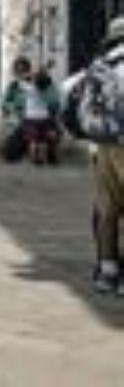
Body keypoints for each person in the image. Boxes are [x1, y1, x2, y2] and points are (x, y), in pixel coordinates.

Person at [63, 16, 124, 294]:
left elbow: (68, 94)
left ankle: (107, 271)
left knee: (107, 209)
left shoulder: (100, 65)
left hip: (101, 144)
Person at [2, 57, 62, 165]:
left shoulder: (44, 83)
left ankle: (49, 151)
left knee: (53, 134)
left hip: (45, 119)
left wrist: (42, 86)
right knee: (10, 153)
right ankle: (31, 152)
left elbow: (55, 102)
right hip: (23, 121)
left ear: (28, 70)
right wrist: (10, 111)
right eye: (18, 71)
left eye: (23, 70)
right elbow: (6, 102)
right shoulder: (15, 86)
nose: (20, 73)